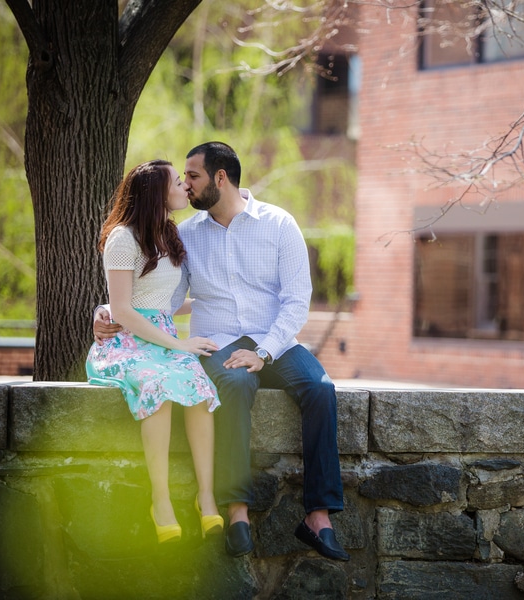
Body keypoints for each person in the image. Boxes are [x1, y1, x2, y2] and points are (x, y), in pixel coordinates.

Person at [95, 143, 349, 561]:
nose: (186, 186)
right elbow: (159, 297)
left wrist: (264, 352)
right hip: (220, 342)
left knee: (321, 389)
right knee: (231, 384)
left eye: (192, 177)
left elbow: (297, 300)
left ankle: (318, 517)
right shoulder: (186, 235)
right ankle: (236, 512)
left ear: (219, 178)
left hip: (276, 340)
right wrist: (106, 312)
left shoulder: (279, 224)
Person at [86, 159, 225, 544]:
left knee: (199, 389)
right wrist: (180, 344)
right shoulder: (122, 238)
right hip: (126, 342)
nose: (185, 187)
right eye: (178, 182)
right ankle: (160, 501)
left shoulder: (167, 233)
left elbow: (162, 301)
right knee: (158, 387)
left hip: (161, 335)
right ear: (156, 193)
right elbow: (125, 309)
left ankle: (206, 496)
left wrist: (210, 303)